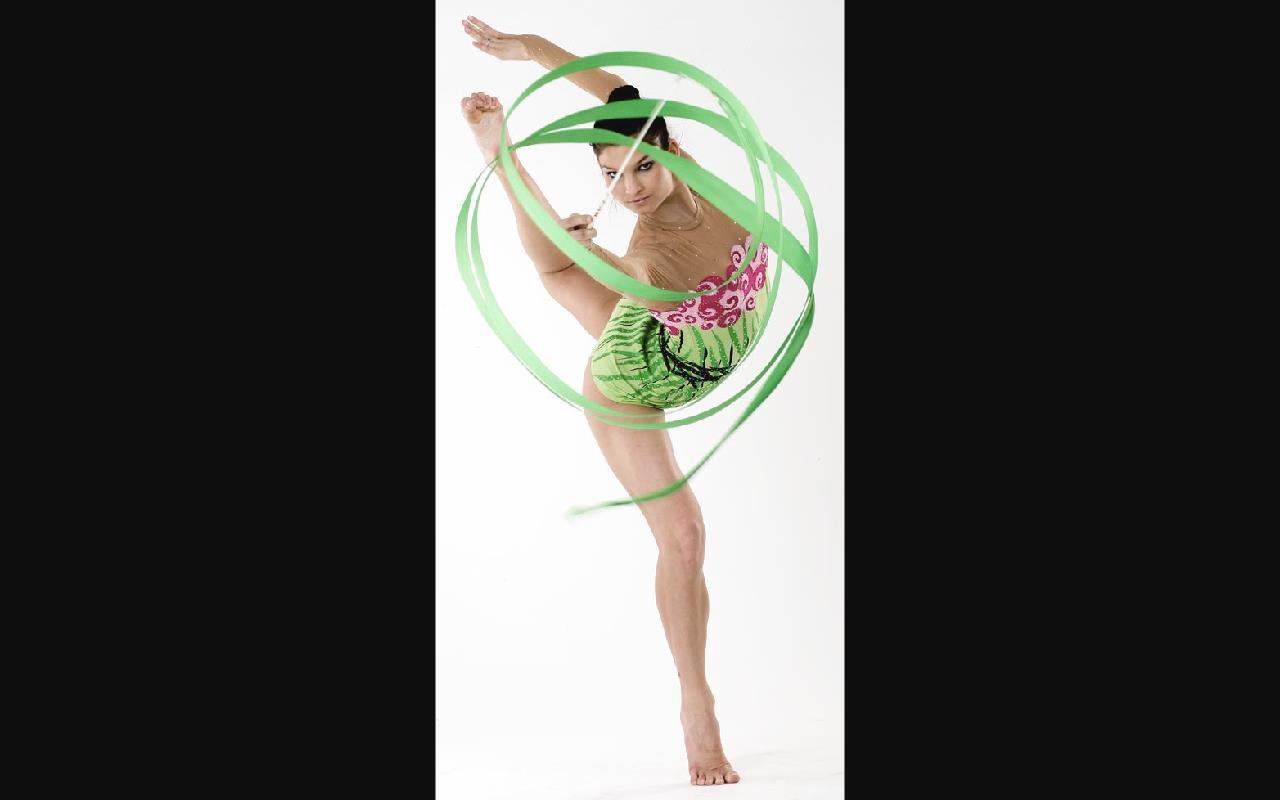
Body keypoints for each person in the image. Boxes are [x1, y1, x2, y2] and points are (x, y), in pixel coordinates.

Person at [460, 15, 774, 787]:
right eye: (609, 177)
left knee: (566, 273)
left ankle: (510, 164)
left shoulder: (687, 170)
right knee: (685, 537)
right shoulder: (648, 251)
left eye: (639, 166)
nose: (627, 189)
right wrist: (590, 244)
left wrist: (531, 49)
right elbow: (628, 275)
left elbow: (617, 89)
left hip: (689, 345)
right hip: (640, 375)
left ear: (671, 147)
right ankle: (696, 704)